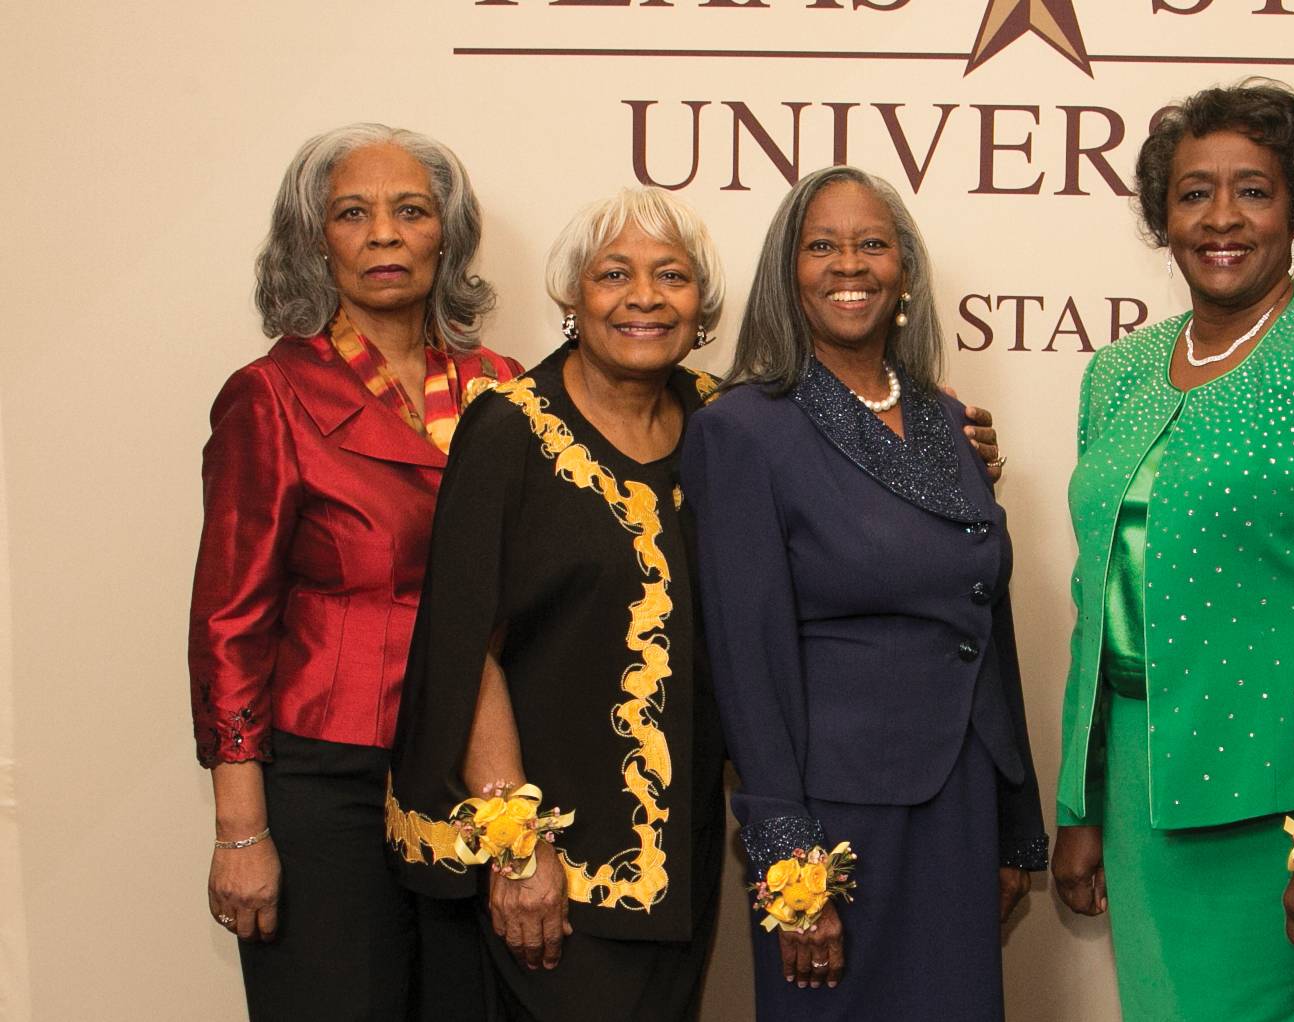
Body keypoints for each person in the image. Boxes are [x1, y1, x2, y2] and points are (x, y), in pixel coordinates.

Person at [1050, 79, 1294, 1021]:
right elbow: (1095, 600)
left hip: (1281, 807)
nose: (1220, 218)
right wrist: (1082, 804)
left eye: (1253, 191)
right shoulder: (1119, 372)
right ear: (1161, 215)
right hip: (1143, 803)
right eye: (1192, 193)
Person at [684, 164, 1047, 1021]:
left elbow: (980, 621)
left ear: (905, 271)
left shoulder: (947, 421)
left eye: (872, 244)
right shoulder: (742, 428)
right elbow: (747, 659)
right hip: (837, 822)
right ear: (788, 271)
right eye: (822, 246)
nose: (849, 265)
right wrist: (789, 862)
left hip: (958, 801)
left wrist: (1008, 819)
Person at [188, 123, 519, 1020]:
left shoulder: (506, 388)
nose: (383, 234)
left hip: (473, 776)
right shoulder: (271, 394)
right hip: (327, 781)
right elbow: (229, 626)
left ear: (445, 234)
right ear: (313, 240)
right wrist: (241, 829)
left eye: (410, 211)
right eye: (352, 213)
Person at [384, 186, 731, 1020]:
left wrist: (959, 450)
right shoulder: (509, 428)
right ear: (573, 297)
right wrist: (518, 851)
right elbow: (469, 646)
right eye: (615, 273)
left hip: (681, 857)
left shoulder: (721, 418)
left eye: (671, 275)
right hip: (558, 865)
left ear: (701, 302)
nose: (644, 297)